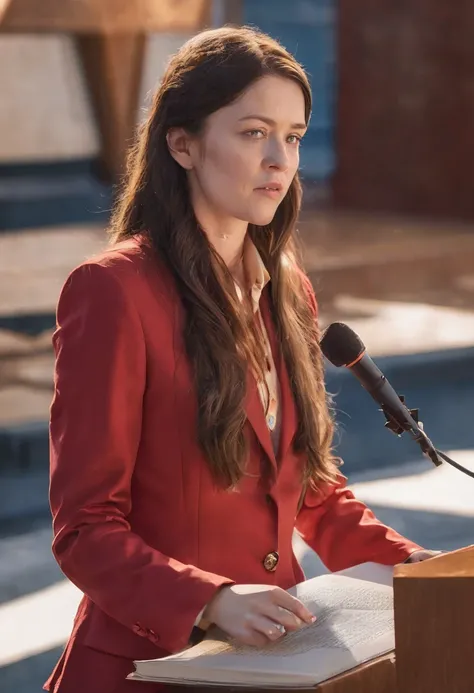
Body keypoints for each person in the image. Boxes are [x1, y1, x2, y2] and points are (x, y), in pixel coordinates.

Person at [45, 26, 437, 693]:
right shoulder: (113, 291)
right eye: (254, 133)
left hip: (282, 659)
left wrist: (425, 569)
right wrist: (212, 597)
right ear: (184, 144)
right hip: (151, 668)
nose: (279, 160)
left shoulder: (287, 288)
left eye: (293, 135)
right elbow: (85, 527)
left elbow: (310, 489)